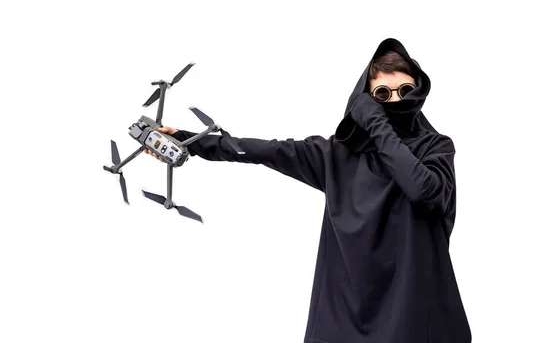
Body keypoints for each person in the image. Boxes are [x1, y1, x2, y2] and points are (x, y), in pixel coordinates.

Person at [145, 38, 471, 343]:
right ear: (365, 99)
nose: (395, 101)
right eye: (382, 95)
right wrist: (191, 141)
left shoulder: (435, 148)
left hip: (414, 316)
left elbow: (423, 191)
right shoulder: (336, 156)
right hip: (344, 315)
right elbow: (265, 150)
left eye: (404, 90)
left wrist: (376, 124)